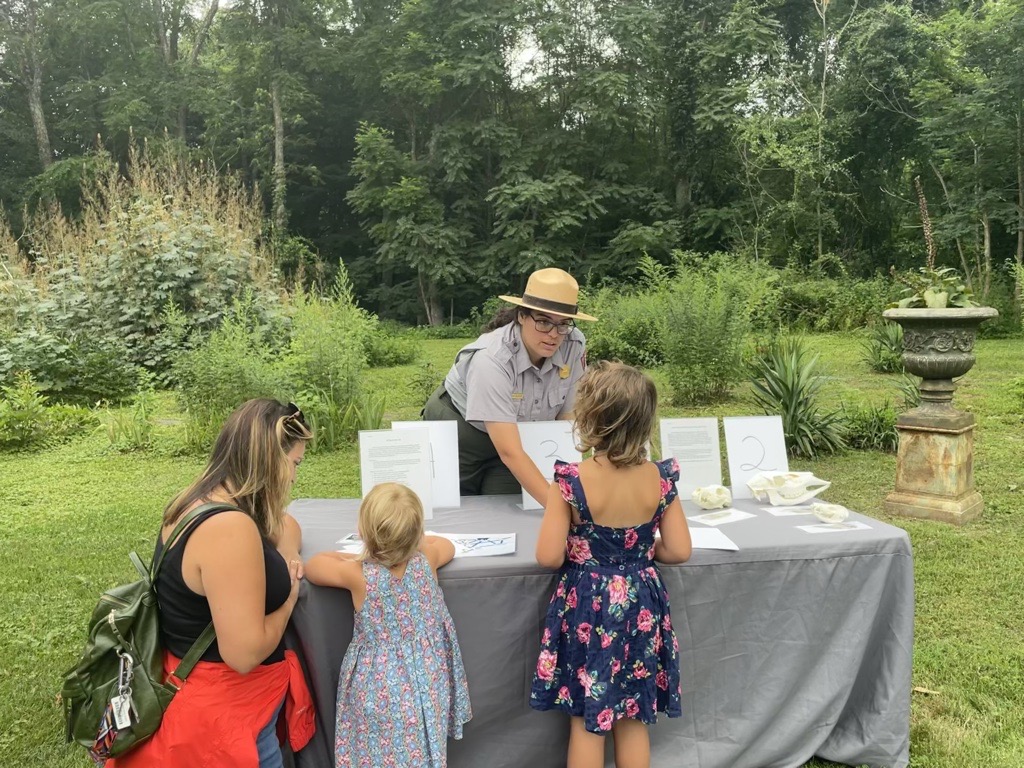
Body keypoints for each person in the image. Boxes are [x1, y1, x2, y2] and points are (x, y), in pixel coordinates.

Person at [108, 399, 315, 768]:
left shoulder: (200, 500)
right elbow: (244, 654)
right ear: (269, 458)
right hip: (228, 720)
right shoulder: (229, 529)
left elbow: (285, 524)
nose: (295, 477)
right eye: (294, 463)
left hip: (212, 698)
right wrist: (288, 600)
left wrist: (285, 556)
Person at [529, 362, 692, 768]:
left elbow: (548, 556)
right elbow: (680, 549)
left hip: (589, 604)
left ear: (589, 418)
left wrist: (587, 550)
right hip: (640, 604)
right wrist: (639, 551)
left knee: (588, 719)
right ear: (645, 421)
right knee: (633, 715)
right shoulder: (660, 478)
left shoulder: (570, 480)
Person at [305, 482, 472, 768]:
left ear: (362, 531)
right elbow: (447, 545)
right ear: (418, 533)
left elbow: (315, 565)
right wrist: (418, 542)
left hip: (378, 689)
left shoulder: (358, 574)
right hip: (425, 684)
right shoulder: (426, 560)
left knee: (375, 756)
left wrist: (356, 557)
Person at [423, 267, 597, 504]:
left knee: (507, 504)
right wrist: (560, 509)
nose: (554, 334)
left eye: (563, 324)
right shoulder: (492, 359)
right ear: (522, 316)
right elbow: (509, 451)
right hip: (462, 431)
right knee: (456, 506)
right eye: (544, 322)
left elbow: (568, 418)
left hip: (518, 437)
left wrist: (570, 488)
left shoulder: (574, 345)